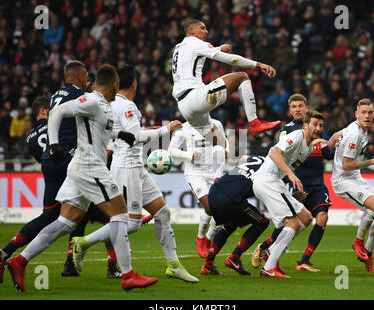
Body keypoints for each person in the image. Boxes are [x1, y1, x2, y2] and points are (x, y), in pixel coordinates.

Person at [5, 64, 157, 292]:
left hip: (80, 168)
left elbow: (95, 130)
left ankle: (20, 260)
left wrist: (119, 134)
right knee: (120, 215)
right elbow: (57, 112)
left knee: (65, 222)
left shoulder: (102, 106)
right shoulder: (93, 100)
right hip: (90, 167)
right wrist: (54, 143)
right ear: (114, 86)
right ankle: (127, 274)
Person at [70, 64, 198, 283]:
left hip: (136, 167)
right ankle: (82, 243)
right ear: (134, 84)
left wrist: (158, 129)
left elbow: (131, 133)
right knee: (131, 223)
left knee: (162, 213)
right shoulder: (127, 106)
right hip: (126, 168)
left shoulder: (114, 104)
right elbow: (135, 136)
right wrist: (165, 130)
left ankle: (173, 264)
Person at [0, 61, 90, 283]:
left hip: (49, 164)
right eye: (86, 76)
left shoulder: (34, 131)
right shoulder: (78, 96)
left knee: (50, 215)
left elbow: (44, 149)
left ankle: (4, 253)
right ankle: (84, 263)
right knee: (92, 209)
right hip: (68, 159)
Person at [252, 94, 341, 273]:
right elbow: (276, 153)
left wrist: (332, 144)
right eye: (294, 106)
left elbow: (327, 152)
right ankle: (268, 258)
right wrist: (291, 175)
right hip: (277, 181)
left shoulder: (311, 139)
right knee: (290, 223)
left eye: (301, 105)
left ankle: (286, 258)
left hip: (295, 183)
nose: (298, 109)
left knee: (309, 218)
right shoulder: (292, 133)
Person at [171, 19, 280, 138]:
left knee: (217, 144)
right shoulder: (196, 43)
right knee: (242, 77)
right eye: (202, 28)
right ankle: (255, 123)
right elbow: (232, 60)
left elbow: (197, 53)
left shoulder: (179, 47)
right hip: (195, 97)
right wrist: (258, 65)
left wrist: (218, 48)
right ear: (191, 30)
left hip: (183, 106)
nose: (206, 31)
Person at [331, 98, 374, 272]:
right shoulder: (354, 134)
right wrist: (371, 162)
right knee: (373, 206)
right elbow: (346, 165)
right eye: (363, 113)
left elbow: (336, 136)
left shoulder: (359, 130)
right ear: (356, 114)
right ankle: (358, 241)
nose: (367, 116)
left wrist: (332, 141)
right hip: (343, 180)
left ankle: (368, 254)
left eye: (370, 113)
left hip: (355, 178)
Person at [168, 117, 229, 258]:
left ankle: (208, 238)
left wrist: (227, 151)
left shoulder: (216, 123)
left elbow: (224, 143)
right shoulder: (183, 128)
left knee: (222, 211)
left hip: (213, 172)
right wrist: (189, 155)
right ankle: (201, 238)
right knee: (210, 207)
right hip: (195, 173)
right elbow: (171, 150)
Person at [201, 155, 270, 276]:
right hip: (231, 198)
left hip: (213, 193)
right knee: (262, 222)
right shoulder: (271, 169)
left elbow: (243, 157)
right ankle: (234, 258)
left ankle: (208, 265)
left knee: (230, 225)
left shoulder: (257, 158)